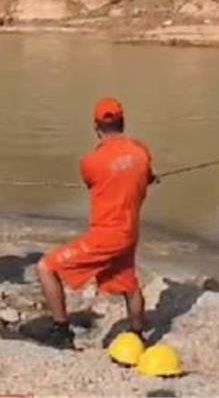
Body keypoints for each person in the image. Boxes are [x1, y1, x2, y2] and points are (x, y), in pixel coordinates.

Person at [37, 97, 155, 349]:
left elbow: (93, 181)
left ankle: (61, 331)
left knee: (46, 267)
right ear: (123, 122)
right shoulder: (141, 152)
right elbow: (146, 177)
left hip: (106, 236)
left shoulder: (91, 161)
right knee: (129, 284)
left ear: (96, 126)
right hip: (129, 232)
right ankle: (137, 335)